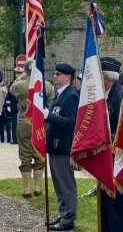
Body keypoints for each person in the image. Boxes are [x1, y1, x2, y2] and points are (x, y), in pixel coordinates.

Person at [9, 59, 54, 198]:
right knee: (39, 153)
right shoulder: (47, 86)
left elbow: (12, 88)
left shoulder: (22, 85)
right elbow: (51, 103)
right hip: (40, 122)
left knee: (25, 154)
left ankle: (27, 189)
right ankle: (37, 188)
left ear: (27, 71)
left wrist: (23, 75)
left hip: (24, 121)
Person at [100, 57, 123, 232]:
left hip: (118, 160)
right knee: (106, 203)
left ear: (106, 78)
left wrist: (103, 138)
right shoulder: (107, 96)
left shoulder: (120, 96)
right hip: (107, 158)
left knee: (118, 204)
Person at [44, 63, 79, 231]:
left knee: (66, 184)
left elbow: (71, 122)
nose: (55, 76)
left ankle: (69, 217)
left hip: (64, 145)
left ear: (67, 77)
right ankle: (63, 213)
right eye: (55, 73)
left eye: (58, 74)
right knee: (58, 183)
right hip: (55, 145)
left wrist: (48, 116)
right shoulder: (60, 94)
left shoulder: (71, 95)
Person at [6, 67, 24, 144]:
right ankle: (15, 139)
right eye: (16, 73)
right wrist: (8, 105)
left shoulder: (24, 82)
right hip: (13, 106)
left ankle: (22, 140)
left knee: (23, 124)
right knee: (14, 124)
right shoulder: (12, 83)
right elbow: (9, 96)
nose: (18, 75)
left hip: (22, 106)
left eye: (19, 73)